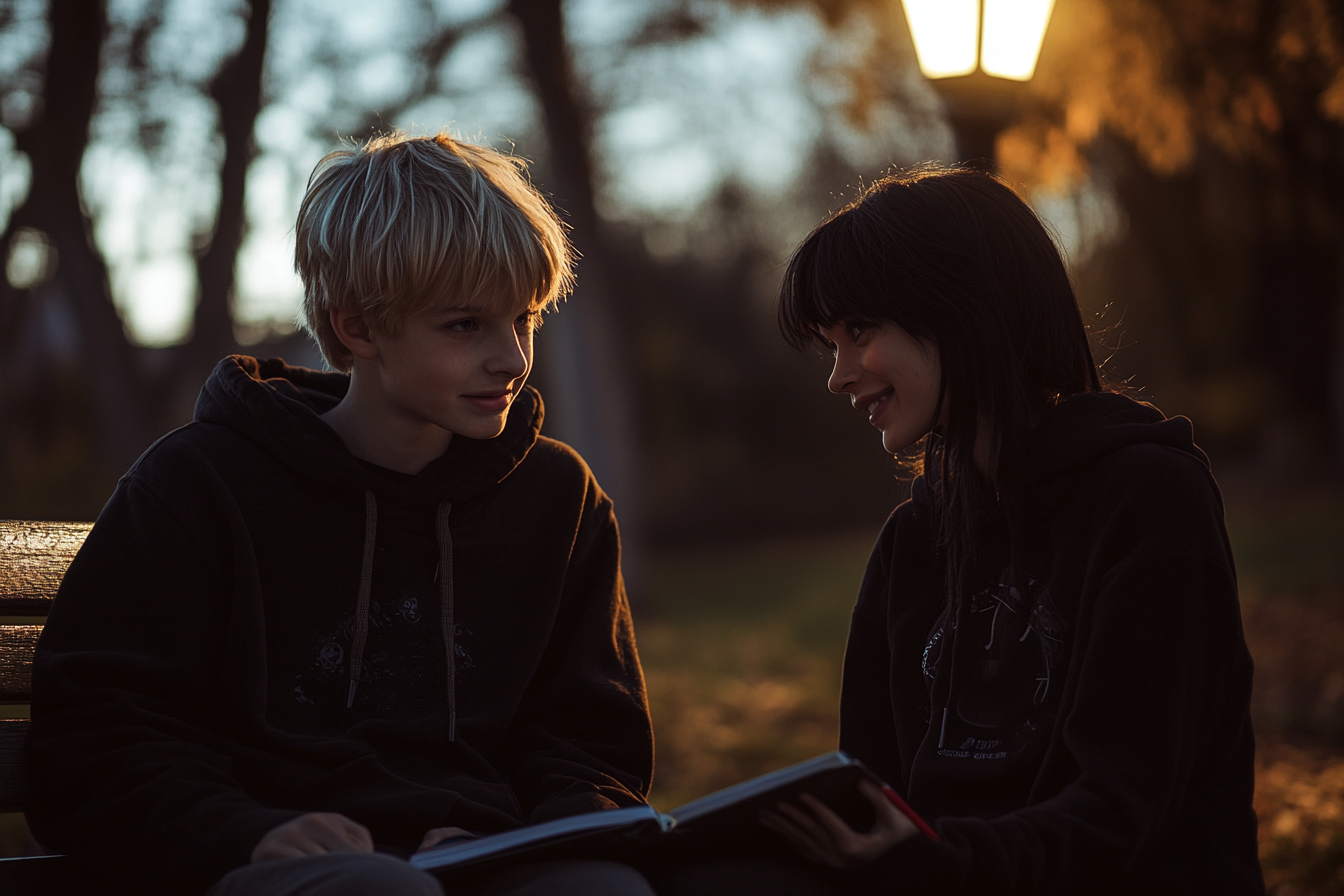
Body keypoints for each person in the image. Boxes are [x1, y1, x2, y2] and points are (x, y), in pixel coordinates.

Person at [26, 132, 656, 896]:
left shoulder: (559, 497)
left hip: (490, 855)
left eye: (523, 319)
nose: (513, 359)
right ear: (357, 327)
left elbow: (590, 741)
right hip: (258, 859)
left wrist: (524, 835)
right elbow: (98, 737)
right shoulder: (197, 485)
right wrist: (247, 833)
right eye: (465, 325)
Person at [759, 166, 1265, 894]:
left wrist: (936, 864)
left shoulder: (1149, 499)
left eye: (859, 330)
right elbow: (871, 790)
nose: (838, 375)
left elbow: (1124, 808)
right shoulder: (912, 545)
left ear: (959, 307)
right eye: (829, 343)